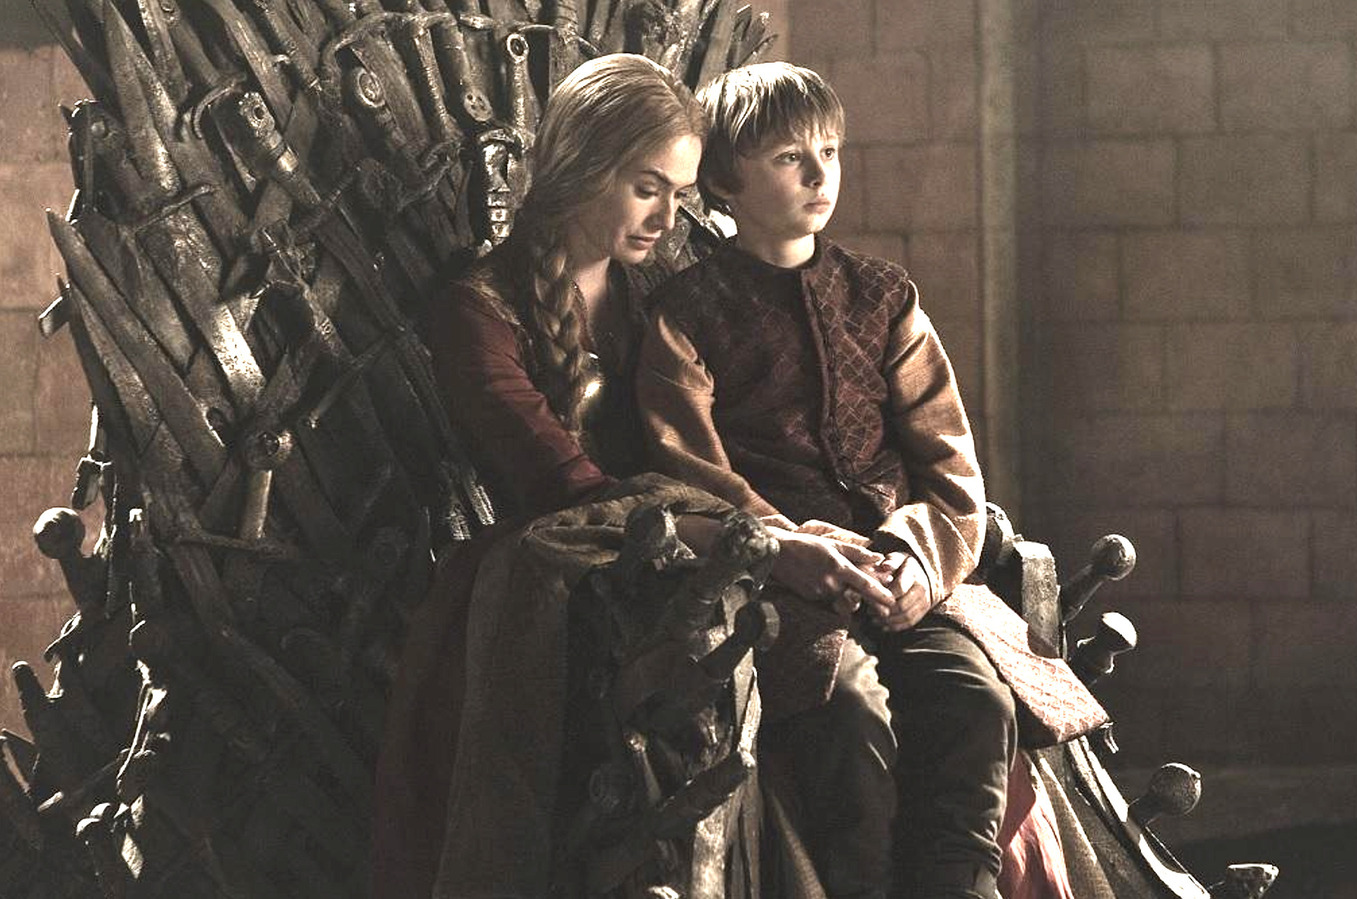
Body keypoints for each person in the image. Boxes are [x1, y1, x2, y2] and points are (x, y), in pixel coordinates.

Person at [636, 63, 1108, 899]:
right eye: (789, 158)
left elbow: (949, 463)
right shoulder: (686, 313)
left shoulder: (884, 297)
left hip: (903, 574)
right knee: (849, 713)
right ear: (725, 180)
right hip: (780, 587)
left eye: (829, 152)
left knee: (976, 700)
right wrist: (789, 548)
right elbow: (693, 474)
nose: (819, 176)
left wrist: (919, 559)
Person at [371, 54, 732, 899]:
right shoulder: (475, 310)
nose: (667, 217)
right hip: (548, 587)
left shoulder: (666, 295)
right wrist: (739, 534)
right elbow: (563, 484)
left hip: (697, 552)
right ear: (583, 166)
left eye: (680, 194)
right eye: (648, 188)